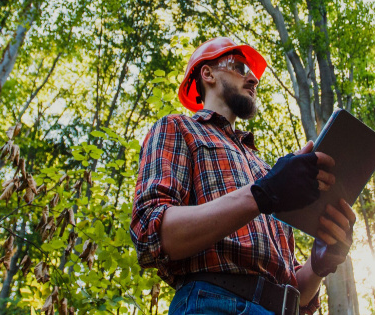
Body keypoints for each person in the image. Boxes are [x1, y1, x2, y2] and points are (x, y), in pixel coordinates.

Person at [131, 37, 355, 315]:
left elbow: (294, 285)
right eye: (239, 67)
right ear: (208, 73)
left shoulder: (264, 168)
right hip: (211, 305)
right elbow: (151, 234)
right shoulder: (177, 127)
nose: (253, 79)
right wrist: (263, 193)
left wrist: (320, 263)